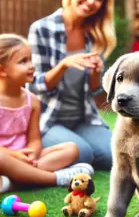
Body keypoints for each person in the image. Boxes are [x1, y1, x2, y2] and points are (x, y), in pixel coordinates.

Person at [27, 0, 116, 170]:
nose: (92, 1)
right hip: (49, 118)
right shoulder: (41, 29)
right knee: (83, 152)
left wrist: (96, 74)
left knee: (114, 155)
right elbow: (35, 86)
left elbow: (95, 91)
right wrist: (63, 65)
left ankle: (70, 151)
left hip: (83, 117)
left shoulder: (95, 35)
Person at [0, 34, 94, 193]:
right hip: (5, 157)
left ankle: (13, 181)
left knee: (71, 149)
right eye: (23, 61)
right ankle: (56, 179)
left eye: (30, 59)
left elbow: (35, 139)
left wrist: (32, 154)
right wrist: (15, 155)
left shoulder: (32, 101)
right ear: (2, 70)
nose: (31, 66)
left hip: (28, 158)